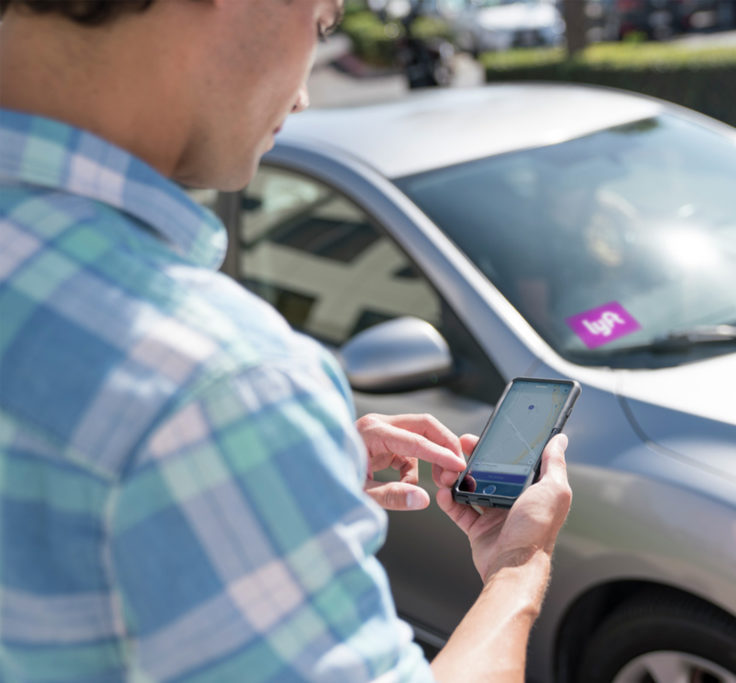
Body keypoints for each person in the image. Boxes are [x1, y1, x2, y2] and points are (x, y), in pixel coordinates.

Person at [0, 1, 572, 681]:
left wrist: (269, 470)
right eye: (323, 20)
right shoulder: (217, 385)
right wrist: (519, 567)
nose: (302, 97)